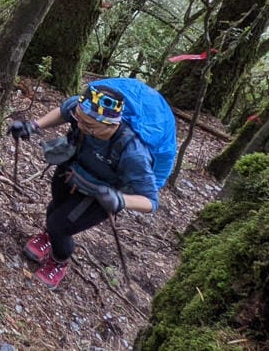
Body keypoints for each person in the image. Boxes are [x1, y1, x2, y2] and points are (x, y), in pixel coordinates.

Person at [8, 82, 160, 288]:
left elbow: (151, 201)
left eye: (89, 126)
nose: (80, 126)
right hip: (70, 170)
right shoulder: (83, 109)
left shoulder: (132, 152)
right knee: (55, 208)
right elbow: (64, 111)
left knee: (60, 226)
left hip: (99, 194)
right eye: (79, 120)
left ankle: (59, 260)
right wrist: (33, 126)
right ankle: (49, 237)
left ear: (111, 124)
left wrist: (120, 199)